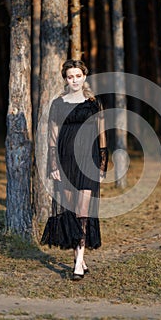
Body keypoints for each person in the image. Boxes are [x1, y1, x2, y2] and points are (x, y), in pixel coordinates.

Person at [40, 59, 108, 281]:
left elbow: (101, 135)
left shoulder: (93, 103)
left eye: (78, 76)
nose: (75, 80)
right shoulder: (58, 104)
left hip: (89, 161)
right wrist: (53, 165)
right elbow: (52, 137)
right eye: (70, 76)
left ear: (84, 77)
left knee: (83, 211)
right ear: (65, 79)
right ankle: (79, 256)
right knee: (71, 211)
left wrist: (103, 164)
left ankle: (78, 264)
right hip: (65, 160)